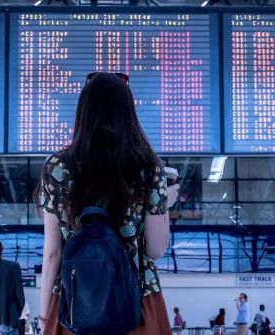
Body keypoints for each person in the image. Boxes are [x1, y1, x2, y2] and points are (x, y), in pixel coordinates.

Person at [35, 72, 180, 334]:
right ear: (128, 113)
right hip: (136, 300)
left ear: (83, 112)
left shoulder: (57, 167)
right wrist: (164, 204)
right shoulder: (148, 167)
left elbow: (52, 253)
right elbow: (156, 250)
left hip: (75, 300)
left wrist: (44, 317)